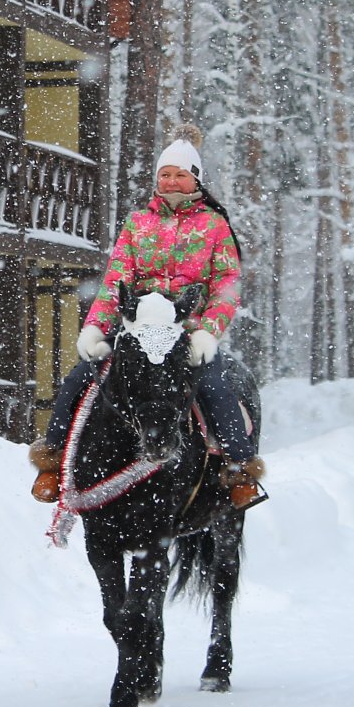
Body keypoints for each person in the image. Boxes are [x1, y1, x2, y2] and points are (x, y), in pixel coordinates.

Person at [29, 127, 265, 509]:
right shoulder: (137, 223)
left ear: (195, 179)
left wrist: (208, 333)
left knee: (217, 389)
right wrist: (95, 328)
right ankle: (53, 463)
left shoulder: (214, 225)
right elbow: (115, 280)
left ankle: (239, 470)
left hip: (187, 332)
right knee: (77, 380)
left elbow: (227, 285)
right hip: (137, 331)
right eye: (165, 174)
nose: (171, 180)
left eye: (180, 174)